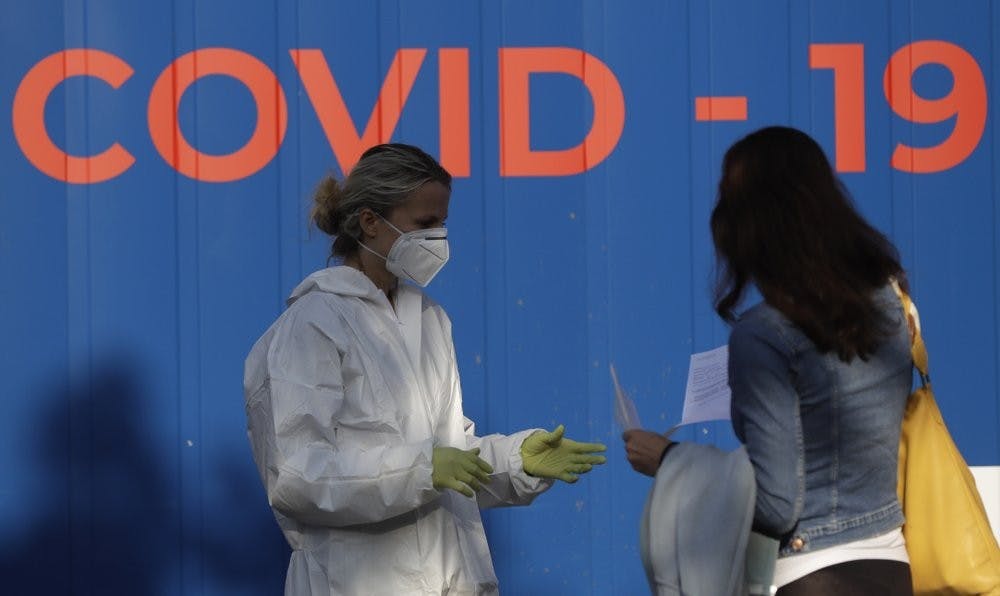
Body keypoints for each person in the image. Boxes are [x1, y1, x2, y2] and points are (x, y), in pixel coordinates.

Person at [243, 143, 607, 595]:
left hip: (449, 577)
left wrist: (515, 460)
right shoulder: (313, 325)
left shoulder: (429, 318)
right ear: (370, 222)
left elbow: (448, 458)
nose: (437, 238)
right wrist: (421, 469)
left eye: (442, 223)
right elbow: (298, 476)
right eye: (424, 224)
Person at [625, 126, 913, 595]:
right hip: (892, 567)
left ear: (750, 223)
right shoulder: (888, 300)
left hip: (811, 574)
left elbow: (778, 503)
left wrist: (671, 459)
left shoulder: (764, 333)